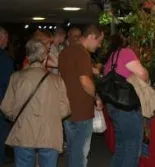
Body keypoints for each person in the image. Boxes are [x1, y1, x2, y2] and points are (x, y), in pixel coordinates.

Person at [0, 39, 71, 167]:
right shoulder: (57, 81)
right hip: (49, 134)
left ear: (27, 57)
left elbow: (6, 107)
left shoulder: (16, 77)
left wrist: (19, 117)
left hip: (23, 132)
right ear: (45, 57)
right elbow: (65, 109)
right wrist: (49, 117)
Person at [59, 24, 104, 167]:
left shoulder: (65, 52)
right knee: (80, 151)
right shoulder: (83, 53)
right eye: (99, 41)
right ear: (91, 37)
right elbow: (84, 81)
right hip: (82, 111)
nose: (99, 45)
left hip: (67, 109)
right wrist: (96, 96)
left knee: (72, 149)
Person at [103, 33, 149, 167]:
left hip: (114, 107)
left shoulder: (111, 57)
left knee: (121, 149)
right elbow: (142, 74)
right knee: (132, 150)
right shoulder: (126, 53)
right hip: (127, 108)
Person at [0, 27, 14, 165]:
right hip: (1, 100)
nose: (7, 41)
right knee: (2, 130)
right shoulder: (4, 58)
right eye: (6, 38)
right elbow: (9, 81)